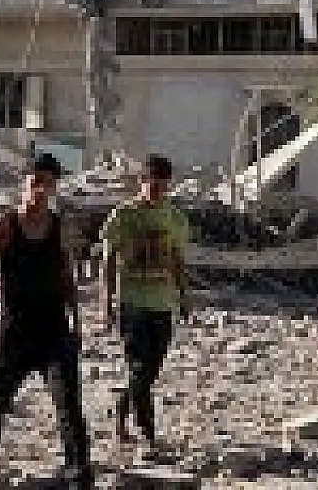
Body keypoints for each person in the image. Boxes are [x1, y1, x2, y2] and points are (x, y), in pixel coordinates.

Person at [0, 153, 93, 489]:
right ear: (23, 183)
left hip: (55, 330)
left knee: (68, 403)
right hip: (16, 331)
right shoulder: (4, 225)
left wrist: (77, 322)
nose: (40, 189)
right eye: (35, 181)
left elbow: (67, 277)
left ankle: (79, 472)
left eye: (47, 183)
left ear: (54, 188)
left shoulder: (59, 227)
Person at [100, 154, 192, 457]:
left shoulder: (174, 218)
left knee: (151, 369)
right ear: (142, 182)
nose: (157, 191)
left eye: (163, 186)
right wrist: (107, 301)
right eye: (152, 184)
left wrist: (184, 296)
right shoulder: (124, 215)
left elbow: (177, 259)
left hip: (162, 303)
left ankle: (122, 407)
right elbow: (108, 259)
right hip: (132, 302)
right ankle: (148, 433)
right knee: (140, 367)